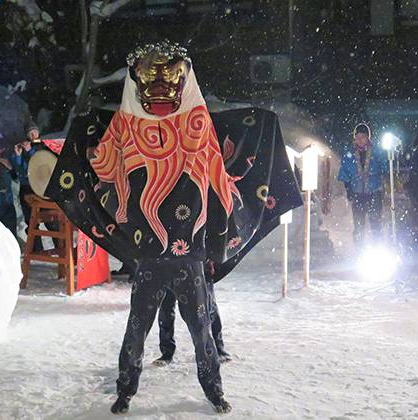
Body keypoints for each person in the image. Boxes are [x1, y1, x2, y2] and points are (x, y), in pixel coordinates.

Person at [44, 41, 302, 415]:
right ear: (136, 78)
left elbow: (220, 172)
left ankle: (213, 391)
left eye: (170, 73)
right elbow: (103, 164)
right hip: (149, 249)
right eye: (150, 73)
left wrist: (264, 126)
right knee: (138, 327)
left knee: (200, 329)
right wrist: (88, 129)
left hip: (189, 250)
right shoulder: (126, 125)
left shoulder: (197, 123)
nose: (161, 82)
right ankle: (126, 390)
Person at [155, 280, 232, 366]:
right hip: (168, 270)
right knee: (166, 305)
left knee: (208, 304)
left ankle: (218, 348)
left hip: (200, 269)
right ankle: (167, 353)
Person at [338, 123, 388, 247]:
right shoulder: (349, 155)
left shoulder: (377, 153)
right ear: (354, 138)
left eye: (363, 137)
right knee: (359, 225)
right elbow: (345, 173)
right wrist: (348, 189)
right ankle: (359, 250)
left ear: (368, 138)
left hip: (374, 193)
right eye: (358, 137)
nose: (360, 140)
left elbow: (386, 169)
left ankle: (377, 249)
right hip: (357, 194)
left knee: (375, 223)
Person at [11, 121, 42, 251]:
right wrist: (18, 156)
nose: (33, 135)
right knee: (31, 220)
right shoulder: (24, 147)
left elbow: (40, 164)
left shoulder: (42, 146)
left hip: (41, 187)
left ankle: (61, 246)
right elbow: (20, 173)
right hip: (27, 187)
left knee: (52, 221)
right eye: (30, 133)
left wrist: (30, 151)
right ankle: (37, 250)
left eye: (35, 132)